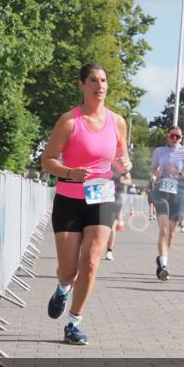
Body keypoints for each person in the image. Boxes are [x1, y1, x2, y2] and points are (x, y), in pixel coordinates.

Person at [40, 63, 131, 345]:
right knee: (69, 270)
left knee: (91, 262)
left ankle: (74, 322)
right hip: (69, 196)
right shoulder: (69, 121)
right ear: (81, 85)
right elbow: (47, 161)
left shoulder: (117, 122)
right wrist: (70, 172)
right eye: (93, 80)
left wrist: (125, 165)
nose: (99, 86)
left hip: (101, 194)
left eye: (103, 80)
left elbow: (121, 158)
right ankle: (63, 288)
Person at [149, 125, 184, 280]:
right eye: (172, 136)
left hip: (179, 191)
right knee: (163, 231)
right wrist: (160, 174)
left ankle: (162, 259)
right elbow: (153, 169)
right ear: (167, 136)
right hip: (162, 191)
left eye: (178, 137)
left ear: (182, 138)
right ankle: (164, 266)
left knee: (171, 232)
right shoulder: (159, 152)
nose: (175, 139)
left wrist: (179, 173)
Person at [104, 169, 132, 261]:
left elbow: (129, 180)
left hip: (115, 197)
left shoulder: (120, 165)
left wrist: (122, 180)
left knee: (112, 226)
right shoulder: (101, 161)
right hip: (100, 196)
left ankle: (109, 251)